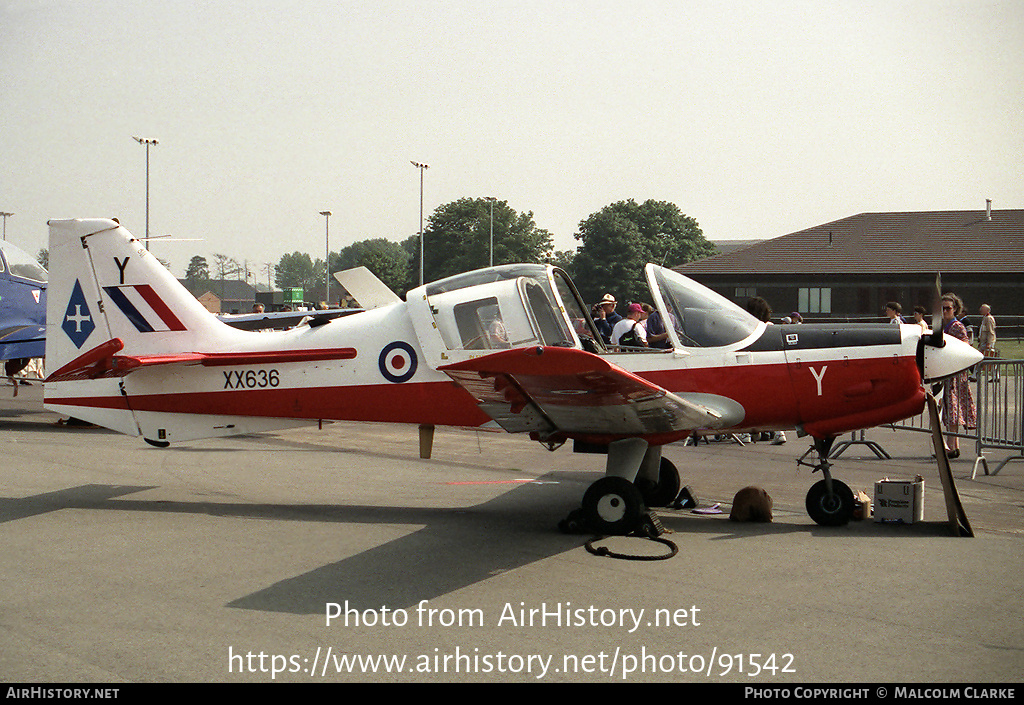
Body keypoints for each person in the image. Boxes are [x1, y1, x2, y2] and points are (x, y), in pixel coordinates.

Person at [939, 293, 976, 458]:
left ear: (955, 309)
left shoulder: (957, 326)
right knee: (949, 409)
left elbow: (965, 346)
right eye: (942, 308)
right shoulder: (942, 325)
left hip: (955, 374)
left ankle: (951, 447)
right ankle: (954, 446)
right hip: (946, 373)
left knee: (953, 410)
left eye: (948, 308)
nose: (945, 311)